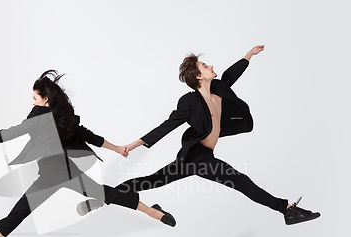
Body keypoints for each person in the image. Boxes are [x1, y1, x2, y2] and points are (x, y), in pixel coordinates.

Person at [77, 45, 320, 226]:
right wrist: (133, 144)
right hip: (197, 157)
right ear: (198, 76)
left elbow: (230, 76)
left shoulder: (219, 89)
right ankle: (286, 210)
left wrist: (248, 56)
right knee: (241, 181)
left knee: (150, 181)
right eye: (206, 66)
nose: (212, 66)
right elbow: (168, 124)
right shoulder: (189, 102)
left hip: (197, 157)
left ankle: (103, 197)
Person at [0, 70, 175, 237]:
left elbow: (12, 132)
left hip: (55, 173)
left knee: (22, 209)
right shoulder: (61, 118)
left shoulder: (41, 116)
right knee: (103, 194)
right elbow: (90, 137)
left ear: (45, 99)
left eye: (34, 98)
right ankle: (153, 211)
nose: (32, 103)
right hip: (59, 171)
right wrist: (118, 149)